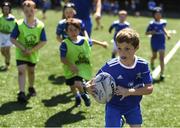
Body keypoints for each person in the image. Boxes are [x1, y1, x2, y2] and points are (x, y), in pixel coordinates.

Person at [87, 28, 153, 127]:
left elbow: (149, 89)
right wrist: (87, 87)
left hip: (133, 105)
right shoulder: (110, 66)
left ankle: (120, 121)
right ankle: (118, 121)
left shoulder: (142, 65)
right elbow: (93, 81)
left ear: (136, 47)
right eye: (119, 48)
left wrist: (128, 92)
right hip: (114, 106)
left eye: (127, 48)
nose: (122, 53)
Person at [59, 18, 107, 107]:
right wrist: (70, 65)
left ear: (79, 30)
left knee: (78, 83)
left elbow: (91, 41)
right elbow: (62, 58)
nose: (73, 32)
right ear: (66, 31)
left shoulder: (84, 40)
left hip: (82, 68)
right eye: (70, 30)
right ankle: (77, 96)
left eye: (75, 30)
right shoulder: (64, 44)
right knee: (72, 87)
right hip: (69, 69)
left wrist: (102, 44)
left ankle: (83, 95)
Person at [10, 0, 47, 102]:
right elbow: (12, 39)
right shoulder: (19, 24)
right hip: (21, 52)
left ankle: (31, 87)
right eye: (26, 11)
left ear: (35, 10)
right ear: (23, 11)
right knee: (21, 71)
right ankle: (21, 93)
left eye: (31, 10)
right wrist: (23, 49)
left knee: (31, 71)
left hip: (33, 53)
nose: (29, 13)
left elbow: (44, 41)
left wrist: (32, 50)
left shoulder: (40, 25)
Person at [146, 7, 170, 80]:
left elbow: (163, 28)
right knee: (154, 56)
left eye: (159, 14)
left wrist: (167, 34)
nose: (158, 15)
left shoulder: (163, 22)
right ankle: (152, 61)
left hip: (161, 41)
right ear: (153, 15)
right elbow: (146, 32)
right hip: (154, 41)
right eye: (156, 14)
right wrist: (151, 32)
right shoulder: (151, 23)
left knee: (161, 58)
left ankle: (162, 73)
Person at [0, 1, 16, 71]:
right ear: (2, 9)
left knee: (7, 50)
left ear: (10, 9)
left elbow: (16, 27)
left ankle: (7, 64)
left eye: (7, 9)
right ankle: (7, 59)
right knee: (2, 51)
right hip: (1, 36)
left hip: (9, 36)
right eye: (4, 8)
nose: (6, 10)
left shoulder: (12, 18)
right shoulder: (0, 17)